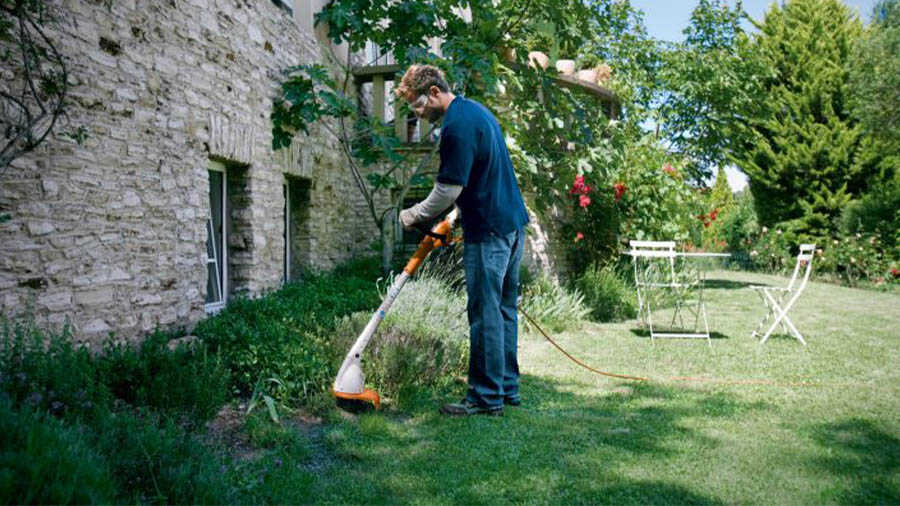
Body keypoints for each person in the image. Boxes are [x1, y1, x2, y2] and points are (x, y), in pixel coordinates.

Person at [395, 64, 529, 417]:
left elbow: (448, 188)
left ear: (435, 92)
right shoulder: (476, 112)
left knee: (484, 313)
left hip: (489, 232)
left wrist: (414, 215)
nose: (419, 115)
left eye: (419, 106)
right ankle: (506, 389)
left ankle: (485, 398)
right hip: (512, 225)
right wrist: (455, 215)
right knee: (503, 310)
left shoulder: (455, 126)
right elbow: (481, 175)